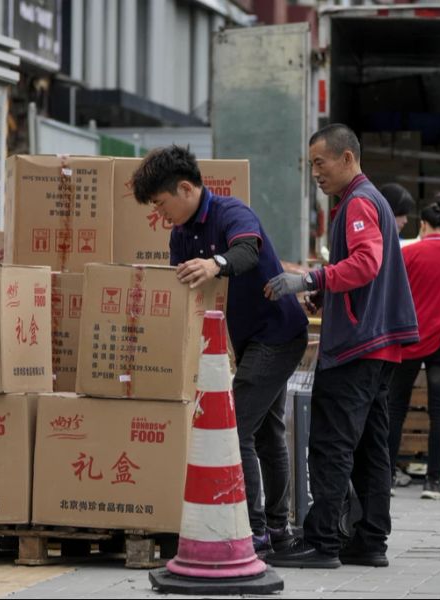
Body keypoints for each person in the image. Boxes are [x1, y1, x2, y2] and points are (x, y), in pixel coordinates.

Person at [130, 146, 308, 556]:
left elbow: (248, 251)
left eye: (161, 203)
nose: (160, 214)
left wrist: (215, 264)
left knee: (235, 427)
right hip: (243, 341)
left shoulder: (231, 212)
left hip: (278, 333)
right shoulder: (180, 236)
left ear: (186, 188)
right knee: (266, 433)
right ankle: (277, 528)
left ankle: (255, 529)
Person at [264, 124, 418, 569]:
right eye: (311, 163)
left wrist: (312, 279)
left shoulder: (358, 203)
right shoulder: (370, 202)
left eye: (320, 162)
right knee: (370, 447)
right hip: (378, 346)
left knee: (331, 444)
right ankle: (369, 540)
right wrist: (329, 291)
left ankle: (322, 541)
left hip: (356, 346)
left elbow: (367, 263)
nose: (315, 172)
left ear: (347, 159)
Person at [386, 195, 440, 501]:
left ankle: (386, 479)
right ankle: (433, 482)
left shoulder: (408, 255)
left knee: (396, 407)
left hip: (408, 338)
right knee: (439, 410)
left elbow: (394, 294)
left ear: (423, 225)